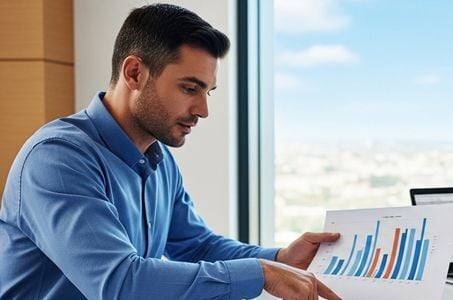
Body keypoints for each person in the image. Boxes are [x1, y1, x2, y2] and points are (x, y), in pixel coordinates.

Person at [0, 4, 340, 300]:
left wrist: (280, 258)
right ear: (135, 73)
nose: (203, 109)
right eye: (190, 88)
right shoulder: (58, 158)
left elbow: (196, 246)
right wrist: (262, 273)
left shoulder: (158, 159)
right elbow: (120, 284)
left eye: (208, 92)